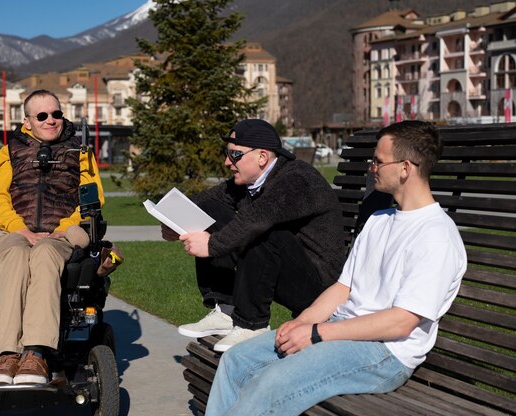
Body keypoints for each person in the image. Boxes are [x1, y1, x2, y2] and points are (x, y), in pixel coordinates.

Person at [205, 120, 467, 415]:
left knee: (270, 384)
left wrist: (317, 333)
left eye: (379, 162)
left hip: (384, 352)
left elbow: (401, 322)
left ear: (405, 168)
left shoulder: (436, 236)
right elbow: (344, 287)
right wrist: (302, 322)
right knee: (236, 361)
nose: (372, 168)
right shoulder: (380, 219)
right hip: (339, 333)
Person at [163, 119, 346, 352]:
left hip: (320, 289)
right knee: (210, 209)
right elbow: (206, 200)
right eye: (227, 154)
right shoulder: (249, 181)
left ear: (262, 157)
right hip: (283, 269)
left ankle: (251, 325)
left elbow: (258, 218)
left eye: (235, 155)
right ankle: (226, 309)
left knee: (264, 229)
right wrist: (173, 222)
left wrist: (212, 245)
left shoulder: (298, 180)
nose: (227, 162)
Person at [0, 89, 105, 385]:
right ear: (27, 122)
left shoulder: (81, 152)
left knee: (45, 252)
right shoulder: (8, 152)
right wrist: (19, 229)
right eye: (42, 116)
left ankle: (36, 353)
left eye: (56, 114)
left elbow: (92, 198)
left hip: (61, 233)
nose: (51, 120)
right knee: (15, 252)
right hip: (15, 231)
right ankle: (8, 352)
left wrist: (64, 227)